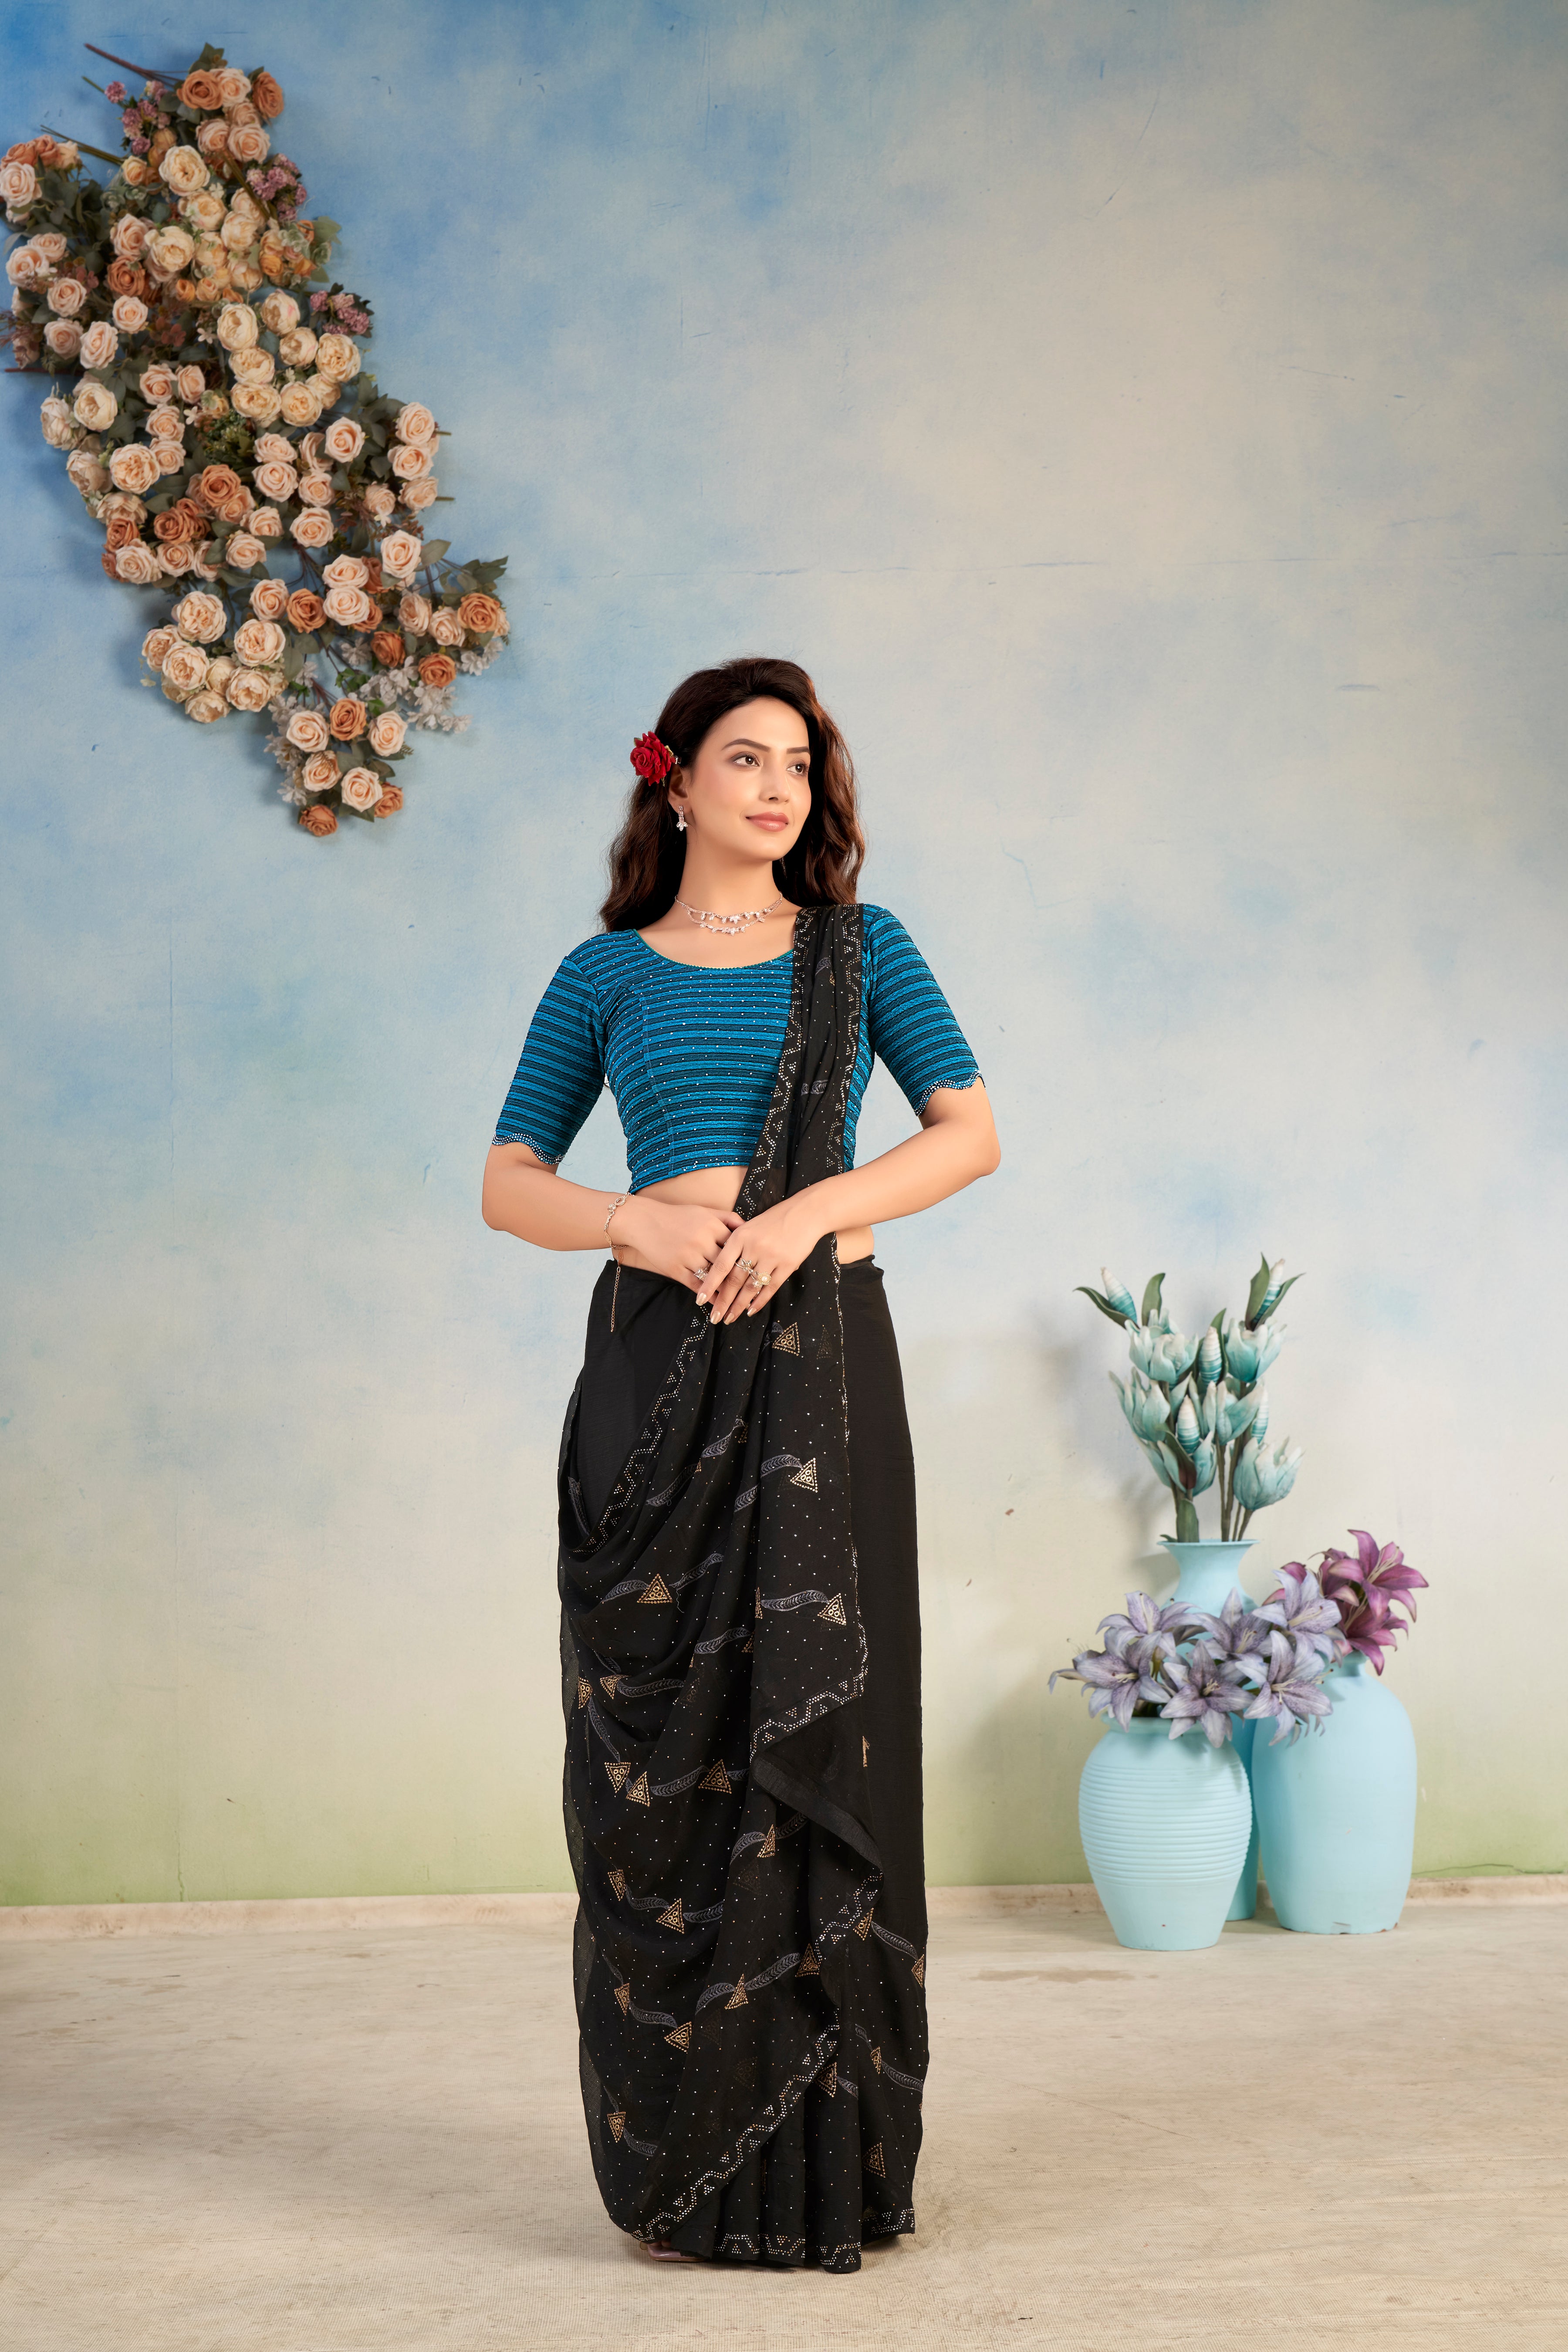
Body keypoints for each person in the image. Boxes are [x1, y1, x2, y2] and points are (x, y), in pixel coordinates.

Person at [482, 655, 998, 2272]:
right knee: (665, 1758)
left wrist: (798, 1216)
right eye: (747, 757)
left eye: (802, 763)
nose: (781, 787)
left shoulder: (862, 949)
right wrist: (635, 1220)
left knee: (828, 1729)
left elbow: (968, 1132)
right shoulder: (604, 972)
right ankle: (684, 2162)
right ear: (677, 778)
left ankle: (831, 2165)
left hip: (822, 1360)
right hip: (656, 1364)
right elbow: (508, 1179)